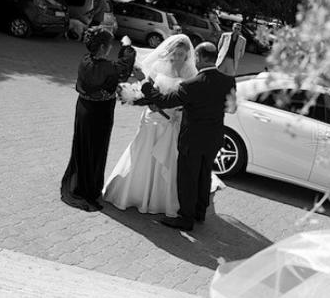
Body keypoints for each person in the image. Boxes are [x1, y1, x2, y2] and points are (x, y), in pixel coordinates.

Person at [103, 34, 222, 217]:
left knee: (167, 161)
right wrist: (134, 99)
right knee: (142, 154)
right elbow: (147, 90)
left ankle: (164, 200)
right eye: (175, 52)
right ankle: (135, 194)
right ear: (170, 51)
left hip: (172, 122)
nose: (177, 56)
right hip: (151, 120)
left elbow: (187, 101)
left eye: (182, 54)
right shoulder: (158, 66)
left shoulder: (191, 74)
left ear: (188, 55)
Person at [140, 42, 236, 231]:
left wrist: (145, 86)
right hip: (214, 138)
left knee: (188, 178)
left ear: (199, 57)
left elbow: (164, 101)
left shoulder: (191, 84)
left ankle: (186, 218)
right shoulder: (228, 81)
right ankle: (200, 212)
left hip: (192, 138)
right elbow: (231, 108)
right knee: (204, 174)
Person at [60, 28, 137, 212]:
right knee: (96, 149)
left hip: (83, 110)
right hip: (99, 114)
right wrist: (127, 47)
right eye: (110, 45)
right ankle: (88, 189)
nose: (111, 48)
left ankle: (78, 183)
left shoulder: (85, 60)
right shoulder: (108, 68)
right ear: (103, 47)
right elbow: (124, 68)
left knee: (82, 146)